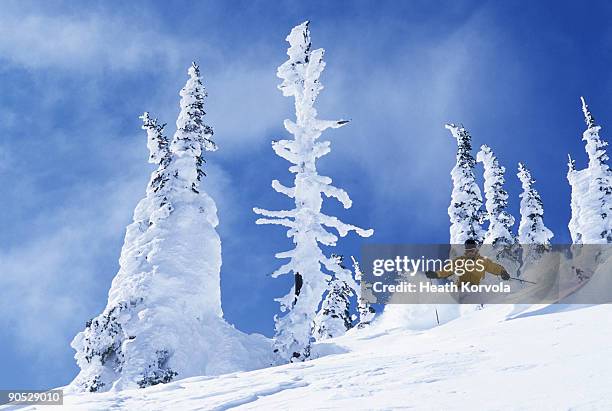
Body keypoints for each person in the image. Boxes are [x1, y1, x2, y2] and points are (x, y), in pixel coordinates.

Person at [425, 239, 511, 286]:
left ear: (475, 250)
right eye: (468, 251)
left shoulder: (482, 261)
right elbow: (448, 269)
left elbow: (493, 267)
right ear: (466, 251)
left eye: (472, 250)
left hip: (474, 289)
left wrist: (502, 272)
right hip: (460, 288)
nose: (470, 253)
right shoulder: (460, 261)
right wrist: (436, 274)